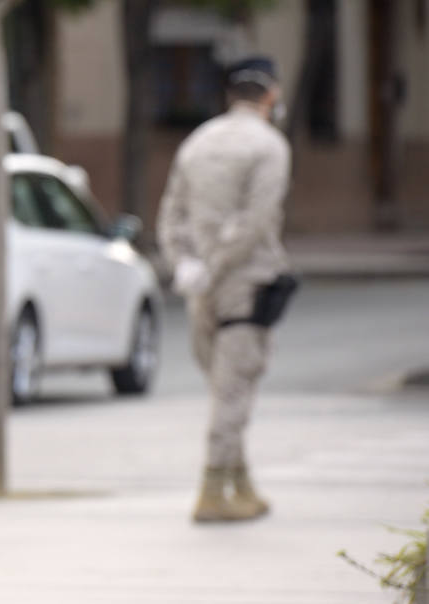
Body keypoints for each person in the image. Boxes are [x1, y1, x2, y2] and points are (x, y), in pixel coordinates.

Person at [157, 55, 293, 523]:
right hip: (245, 284)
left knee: (223, 389)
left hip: (200, 288)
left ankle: (242, 483)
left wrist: (187, 265)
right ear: (270, 95)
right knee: (233, 392)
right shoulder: (269, 146)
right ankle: (214, 490)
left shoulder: (197, 143)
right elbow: (255, 222)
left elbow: (170, 215)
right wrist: (216, 268)